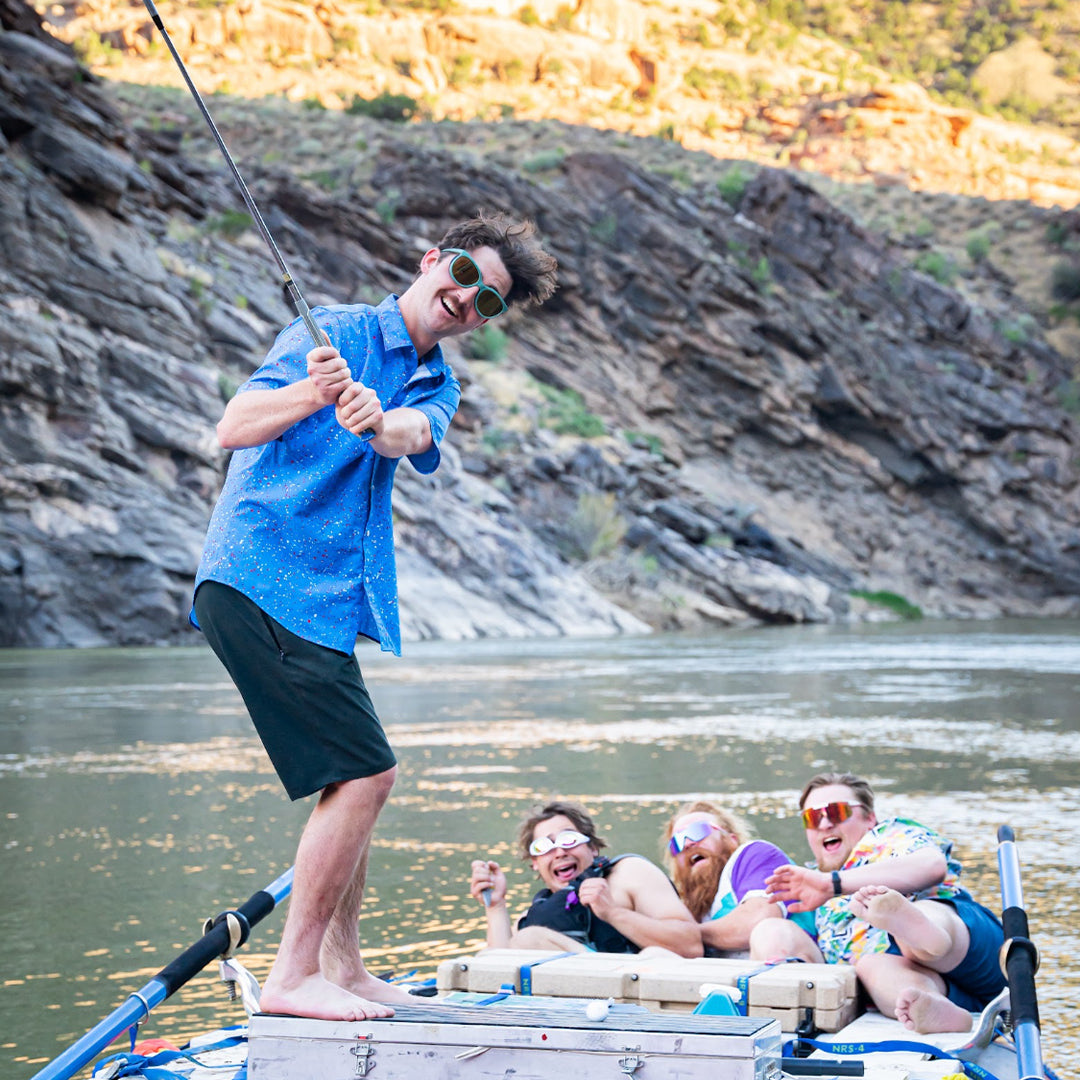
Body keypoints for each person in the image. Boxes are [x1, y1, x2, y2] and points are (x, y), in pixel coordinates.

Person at [191, 212, 558, 1022]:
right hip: (260, 580)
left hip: (321, 607)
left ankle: (343, 966)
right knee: (369, 775)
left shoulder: (438, 381)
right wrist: (314, 392)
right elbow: (232, 427)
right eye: (463, 276)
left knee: (350, 777)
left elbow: (410, 434)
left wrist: (373, 420)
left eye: (489, 302)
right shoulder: (333, 331)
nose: (467, 300)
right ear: (434, 259)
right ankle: (293, 979)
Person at [765, 772, 1006, 1034]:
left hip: (968, 950)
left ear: (869, 818)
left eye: (835, 812)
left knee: (925, 914)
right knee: (872, 967)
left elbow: (931, 865)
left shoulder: (886, 836)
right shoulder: (807, 882)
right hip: (931, 987)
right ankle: (931, 1007)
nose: (824, 824)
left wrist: (832, 884)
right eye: (812, 817)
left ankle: (917, 930)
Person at [469, 800, 703, 957]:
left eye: (569, 839)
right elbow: (497, 970)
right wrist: (496, 905)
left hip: (632, 995)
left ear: (592, 848)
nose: (560, 852)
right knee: (490, 955)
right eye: (544, 846)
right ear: (535, 864)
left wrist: (613, 913)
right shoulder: (534, 915)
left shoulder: (628, 874)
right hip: (567, 1010)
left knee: (529, 940)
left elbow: (691, 946)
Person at [663, 800, 818, 960]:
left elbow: (757, 920)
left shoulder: (755, 855)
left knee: (771, 931)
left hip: (801, 974)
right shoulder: (684, 904)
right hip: (729, 980)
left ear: (732, 839)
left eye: (698, 831)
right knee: (655, 955)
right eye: (677, 842)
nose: (688, 844)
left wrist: (684, 935)